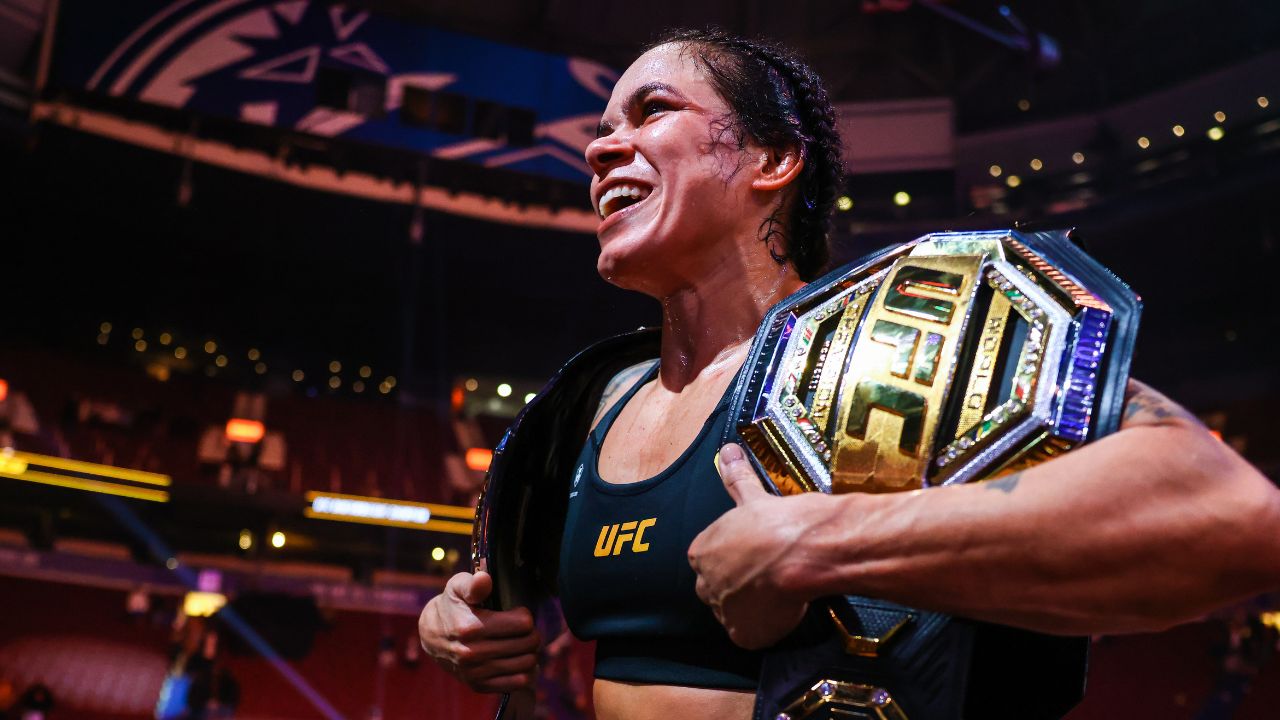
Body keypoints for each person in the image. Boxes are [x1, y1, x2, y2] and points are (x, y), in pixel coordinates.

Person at [418, 27, 1280, 720]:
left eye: (652, 112)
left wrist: (821, 541)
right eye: (603, 129)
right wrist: (454, 621)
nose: (604, 148)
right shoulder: (588, 403)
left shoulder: (905, 344)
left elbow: (1235, 519)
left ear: (773, 160)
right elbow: (506, 607)